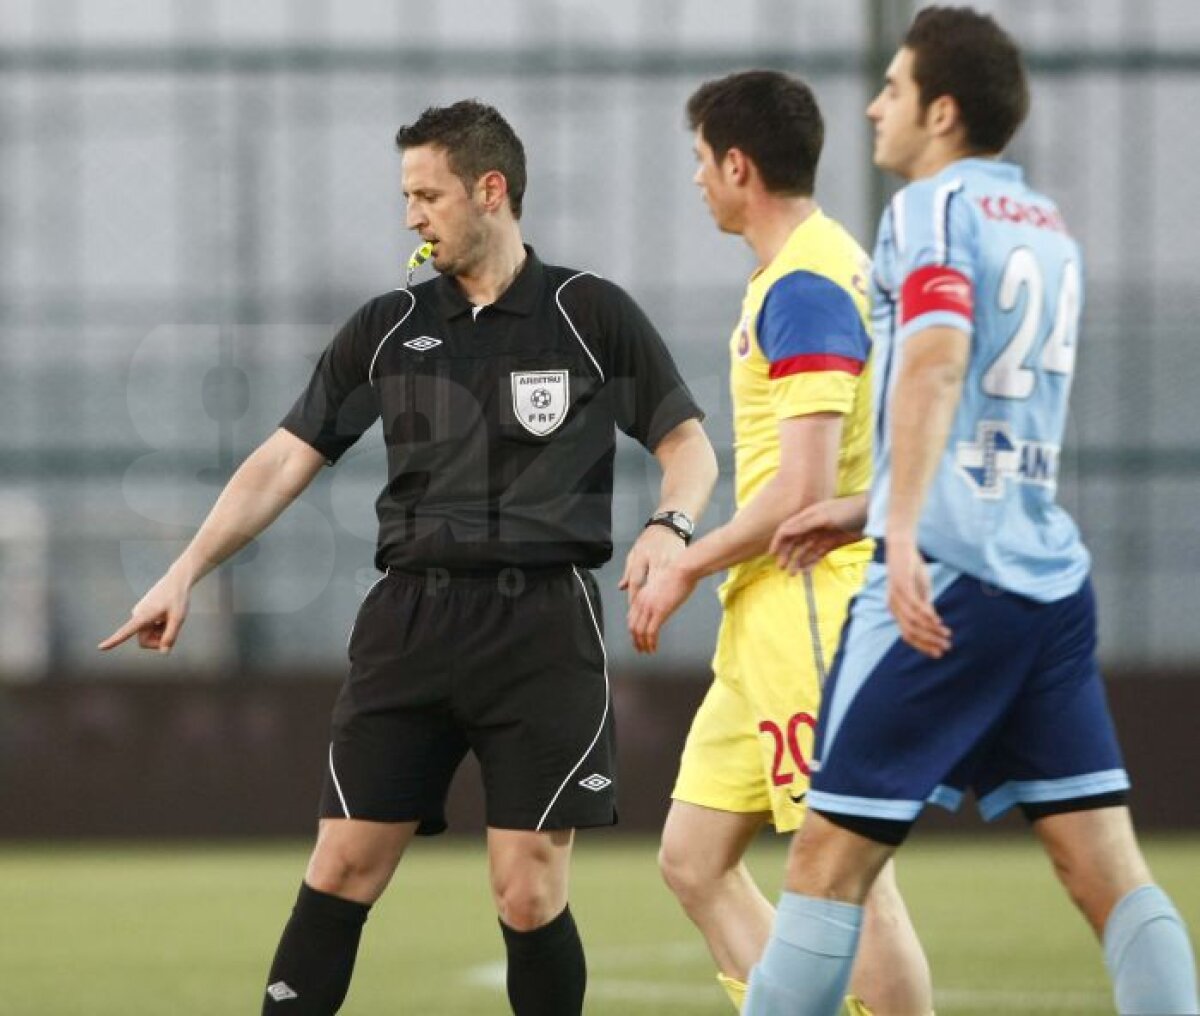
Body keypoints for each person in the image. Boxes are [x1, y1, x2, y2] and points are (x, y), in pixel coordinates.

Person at [100, 99, 718, 1016]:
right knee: (343, 864)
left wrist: (671, 528)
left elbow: (690, 447)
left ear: (491, 190)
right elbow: (281, 461)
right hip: (411, 623)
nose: (411, 216)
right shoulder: (389, 325)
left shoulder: (589, 313)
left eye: (427, 194)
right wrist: (186, 568)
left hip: (543, 628)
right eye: (407, 195)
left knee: (528, 889)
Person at [746, 9, 1199, 1015]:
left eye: (895, 88)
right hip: (1047, 586)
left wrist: (898, 533)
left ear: (941, 113)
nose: (874, 105)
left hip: (945, 581)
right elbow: (990, 430)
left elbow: (943, 360)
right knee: (1104, 868)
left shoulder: (929, 210)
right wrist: (872, 501)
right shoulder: (1046, 228)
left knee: (823, 860)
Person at [627, 71, 931, 1015]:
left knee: (846, 871)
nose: (695, 182)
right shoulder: (815, 264)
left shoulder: (804, 283)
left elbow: (802, 492)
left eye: (698, 162)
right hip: (765, 616)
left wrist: (685, 560)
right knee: (692, 857)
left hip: (813, 604)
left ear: (737, 164)